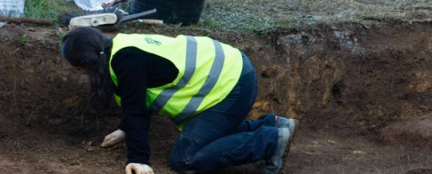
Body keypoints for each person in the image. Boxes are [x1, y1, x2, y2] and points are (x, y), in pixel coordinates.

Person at [60, 27, 295, 174]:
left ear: (85, 66)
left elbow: (137, 111)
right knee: (207, 137)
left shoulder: (126, 61)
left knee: (185, 158)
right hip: (232, 71)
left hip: (231, 84)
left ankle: (270, 141)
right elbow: (140, 96)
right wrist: (125, 129)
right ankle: (273, 125)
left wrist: (138, 160)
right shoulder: (120, 47)